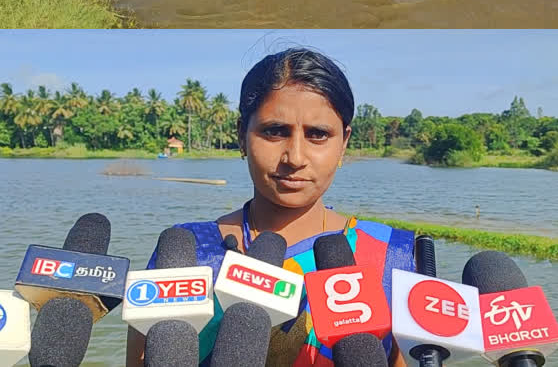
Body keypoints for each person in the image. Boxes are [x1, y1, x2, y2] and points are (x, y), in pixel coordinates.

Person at [124, 48, 417, 366]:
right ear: (241, 135)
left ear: (343, 142)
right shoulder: (185, 254)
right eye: (275, 131)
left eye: (318, 135)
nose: (295, 157)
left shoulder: (390, 254)